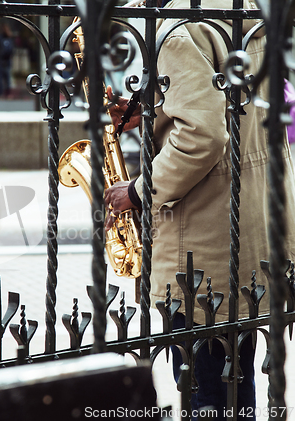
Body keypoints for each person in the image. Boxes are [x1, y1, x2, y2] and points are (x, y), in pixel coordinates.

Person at [104, 0, 295, 417]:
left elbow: (203, 138)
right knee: (236, 376)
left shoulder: (180, 27)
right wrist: (152, 109)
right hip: (255, 225)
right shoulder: (241, 10)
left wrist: (138, 191)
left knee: (206, 393)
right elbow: (231, 103)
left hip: (202, 241)